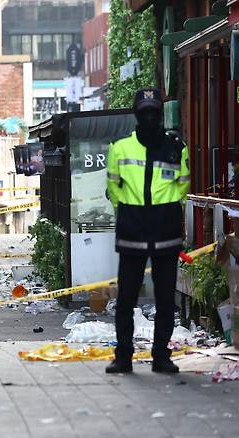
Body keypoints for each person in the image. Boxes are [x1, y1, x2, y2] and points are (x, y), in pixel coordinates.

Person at [106, 88, 190, 374]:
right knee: (126, 299)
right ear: (137, 114)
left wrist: (166, 210)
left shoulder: (176, 147)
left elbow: (183, 184)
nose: (150, 117)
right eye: (145, 113)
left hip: (165, 232)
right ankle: (123, 356)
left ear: (161, 114)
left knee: (166, 300)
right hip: (133, 232)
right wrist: (129, 211)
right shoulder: (120, 148)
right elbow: (113, 188)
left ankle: (161, 356)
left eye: (154, 112)